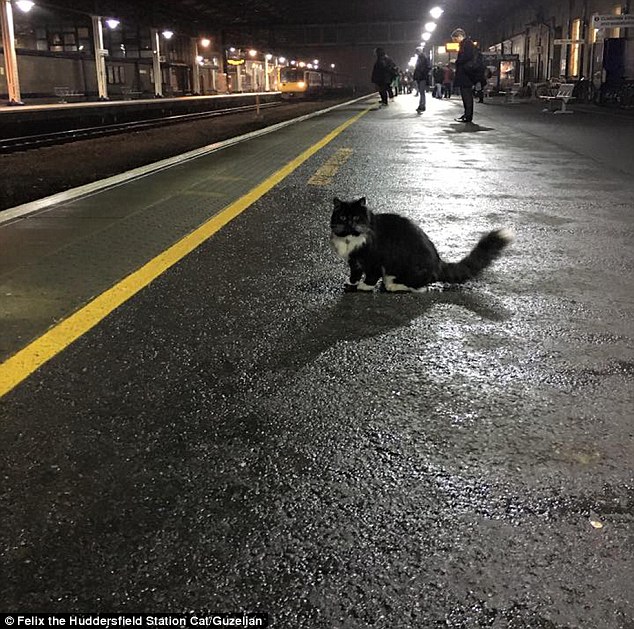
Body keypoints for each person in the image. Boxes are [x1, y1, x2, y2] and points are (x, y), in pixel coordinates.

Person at [452, 27, 476, 123]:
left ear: (460, 36)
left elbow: (466, 57)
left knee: (466, 95)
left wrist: (457, 61)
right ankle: (467, 114)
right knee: (466, 95)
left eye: (455, 39)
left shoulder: (466, 44)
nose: (455, 41)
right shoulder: (467, 44)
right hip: (466, 74)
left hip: (466, 74)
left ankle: (468, 115)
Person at [413, 46, 430, 114]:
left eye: (417, 51)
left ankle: (422, 106)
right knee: (421, 92)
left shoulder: (422, 58)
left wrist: (418, 75)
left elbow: (420, 68)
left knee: (422, 92)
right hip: (421, 77)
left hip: (422, 77)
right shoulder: (422, 58)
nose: (416, 53)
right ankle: (421, 105)